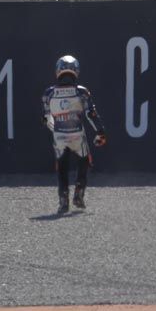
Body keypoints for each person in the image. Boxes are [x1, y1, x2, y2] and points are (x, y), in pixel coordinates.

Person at [42, 55, 107, 214]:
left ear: (58, 71)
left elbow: (46, 118)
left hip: (59, 136)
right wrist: (100, 132)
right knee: (84, 160)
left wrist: (56, 129)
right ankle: (79, 192)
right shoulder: (81, 92)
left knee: (61, 166)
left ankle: (63, 199)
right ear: (76, 71)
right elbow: (91, 114)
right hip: (77, 134)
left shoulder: (48, 93)